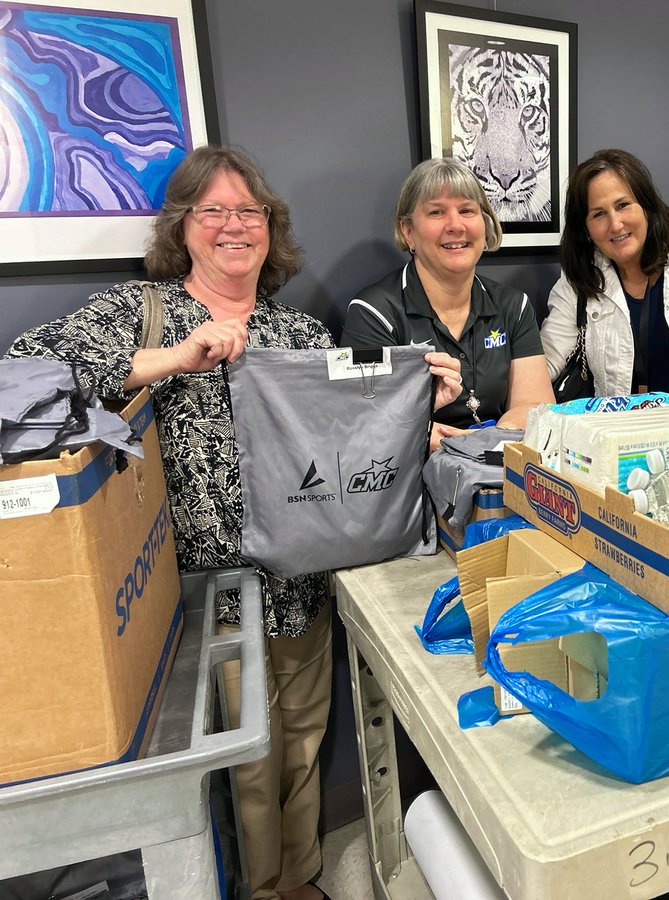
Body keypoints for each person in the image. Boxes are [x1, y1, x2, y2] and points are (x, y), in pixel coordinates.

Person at [7, 146, 462, 900]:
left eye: (248, 211)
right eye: (211, 211)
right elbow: (28, 374)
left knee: (304, 746)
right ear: (181, 228)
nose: (233, 226)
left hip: (303, 587)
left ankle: (300, 882)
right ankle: (252, 890)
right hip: (203, 598)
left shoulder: (301, 335)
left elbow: (351, 449)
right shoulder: (141, 311)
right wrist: (172, 359)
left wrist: (425, 400)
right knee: (235, 771)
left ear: (270, 227)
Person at [341, 157, 554, 447]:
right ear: (408, 231)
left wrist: (481, 443)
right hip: (412, 479)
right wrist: (439, 438)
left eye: (467, 210)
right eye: (437, 212)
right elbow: (366, 421)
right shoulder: (374, 313)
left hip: (498, 469)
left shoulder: (513, 307)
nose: (456, 225)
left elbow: (535, 407)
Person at [541, 148, 669, 406]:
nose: (615, 224)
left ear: (647, 206)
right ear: (586, 229)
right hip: (626, 439)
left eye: (623, 205)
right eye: (599, 214)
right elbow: (544, 363)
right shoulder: (578, 283)